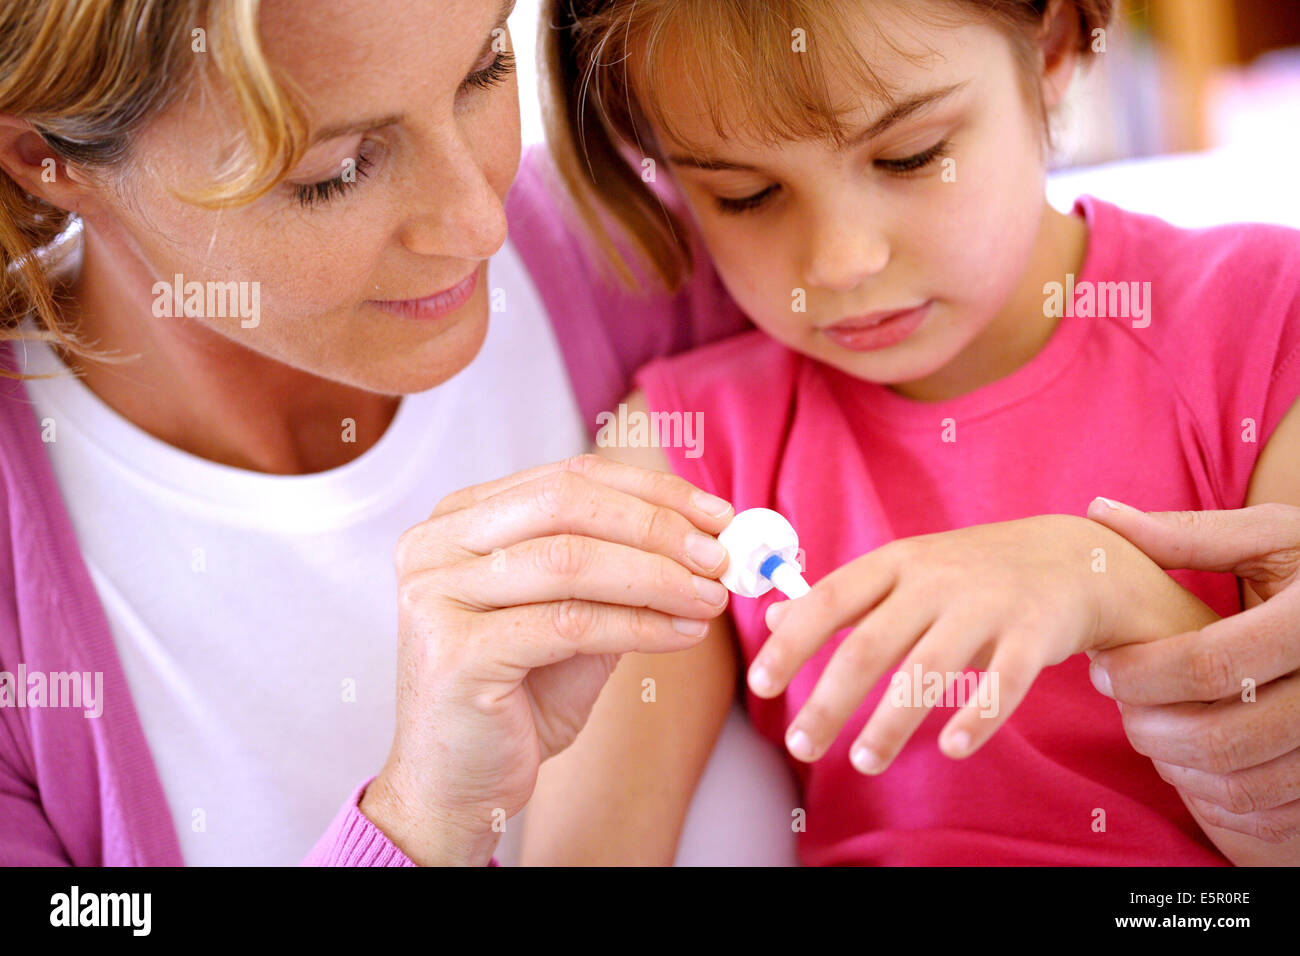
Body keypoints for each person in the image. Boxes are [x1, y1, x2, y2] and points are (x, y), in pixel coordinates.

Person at [521, 0, 1300, 865]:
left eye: (911, 155)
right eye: (745, 195)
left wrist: (1117, 592)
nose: (841, 262)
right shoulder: (683, 450)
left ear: (1050, 45)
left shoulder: (1265, 330)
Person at [0, 0, 753, 866]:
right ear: (43, 159)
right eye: (338, 170)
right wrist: (419, 823)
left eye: (483, 70)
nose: (480, 222)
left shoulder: (675, 237)